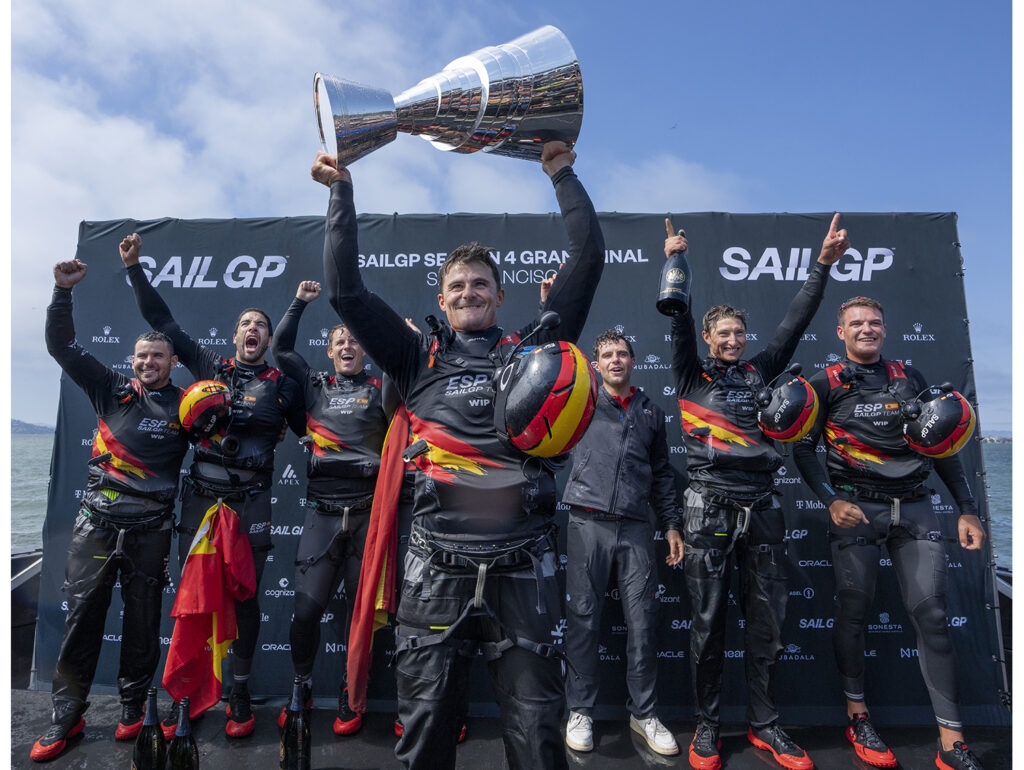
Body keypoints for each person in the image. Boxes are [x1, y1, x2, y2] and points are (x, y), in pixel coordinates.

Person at [311, 140, 605, 770]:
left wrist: (562, 173)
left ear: (501, 296)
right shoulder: (414, 357)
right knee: (424, 737)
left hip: (524, 565)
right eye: (457, 286)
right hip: (433, 568)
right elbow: (345, 292)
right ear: (441, 300)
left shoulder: (533, 352)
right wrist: (341, 193)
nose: (469, 291)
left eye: (481, 284)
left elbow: (589, 260)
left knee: (537, 737)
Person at [665, 215, 848, 770]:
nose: (733, 341)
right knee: (708, 623)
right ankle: (707, 727)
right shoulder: (691, 377)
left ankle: (767, 725)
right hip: (707, 507)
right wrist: (675, 258)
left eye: (739, 335)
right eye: (723, 334)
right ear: (708, 339)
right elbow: (678, 318)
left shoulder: (763, 371)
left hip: (764, 506)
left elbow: (795, 322)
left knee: (768, 624)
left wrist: (822, 265)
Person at [121, 233, 305, 738]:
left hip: (251, 504)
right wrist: (135, 268)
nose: (253, 329)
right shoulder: (210, 368)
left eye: (261, 326)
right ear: (234, 335)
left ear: (268, 340)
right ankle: (187, 692)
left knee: (246, 599)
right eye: (246, 323)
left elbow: (320, 429)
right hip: (200, 499)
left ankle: (239, 691)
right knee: (193, 594)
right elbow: (164, 324)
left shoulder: (284, 385)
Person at [791, 297, 986, 770]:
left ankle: (950, 742)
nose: (867, 329)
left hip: (917, 509)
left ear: (885, 328)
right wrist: (832, 501)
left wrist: (967, 509)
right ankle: (858, 718)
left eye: (875, 322)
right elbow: (802, 448)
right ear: (841, 333)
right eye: (856, 323)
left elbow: (940, 445)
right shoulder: (824, 383)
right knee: (853, 610)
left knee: (934, 617)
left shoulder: (909, 377)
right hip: (858, 509)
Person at [32, 258, 190, 761]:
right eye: (143, 356)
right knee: (82, 621)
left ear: (171, 362)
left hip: (151, 531)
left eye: (159, 356)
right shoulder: (111, 388)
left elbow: (225, 438)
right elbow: (61, 345)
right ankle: (67, 716)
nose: (149, 363)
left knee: (144, 624)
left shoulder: (189, 404)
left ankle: (134, 710)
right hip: (96, 526)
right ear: (134, 358)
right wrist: (61, 293)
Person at [270, 280, 391, 736]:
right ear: (328, 351)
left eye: (354, 340)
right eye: (339, 339)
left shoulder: (382, 388)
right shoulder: (313, 384)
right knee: (304, 615)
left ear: (364, 350)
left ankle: (352, 692)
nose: (346, 344)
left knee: (369, 619)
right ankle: (300, 686)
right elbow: (281, 348)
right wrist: (299, 302)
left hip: (367, 519)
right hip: (321, 515)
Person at [561, 329, 684, 756]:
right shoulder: (582, 402)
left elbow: (664, 474)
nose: (616, 360)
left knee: (644, 624)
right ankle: (579, 710)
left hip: (634, 526)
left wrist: (670, 525)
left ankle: (644, 712)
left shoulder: (651, 411)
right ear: (596, 364)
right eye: (608, 354)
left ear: (633, 361)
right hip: (586, 522)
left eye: (623, 354)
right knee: (582, 621)